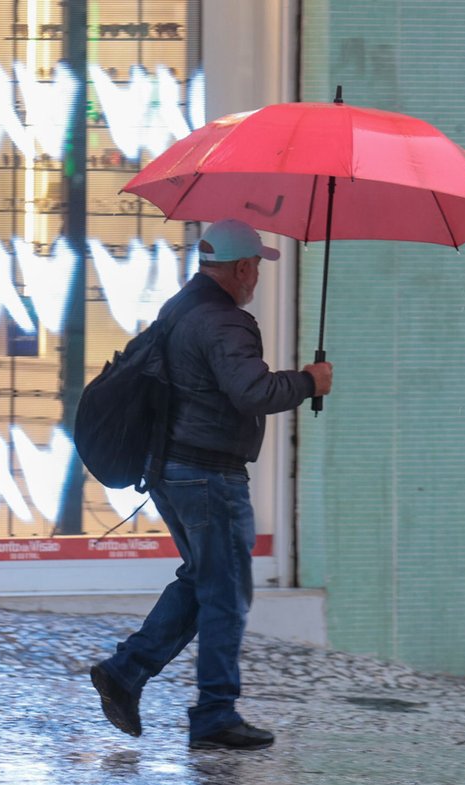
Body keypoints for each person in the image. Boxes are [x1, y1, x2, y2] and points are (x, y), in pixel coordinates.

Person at [90, 219, 333, 751]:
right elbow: (252, 391)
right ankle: (214, 714)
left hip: (172, 468)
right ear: (243, 268)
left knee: (204, 580)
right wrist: (307, 382)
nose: (257, 279)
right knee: (225, 595)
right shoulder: (226, 321)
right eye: (256, 268)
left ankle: (126, 672)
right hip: (208, 475)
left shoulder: (180, 308)